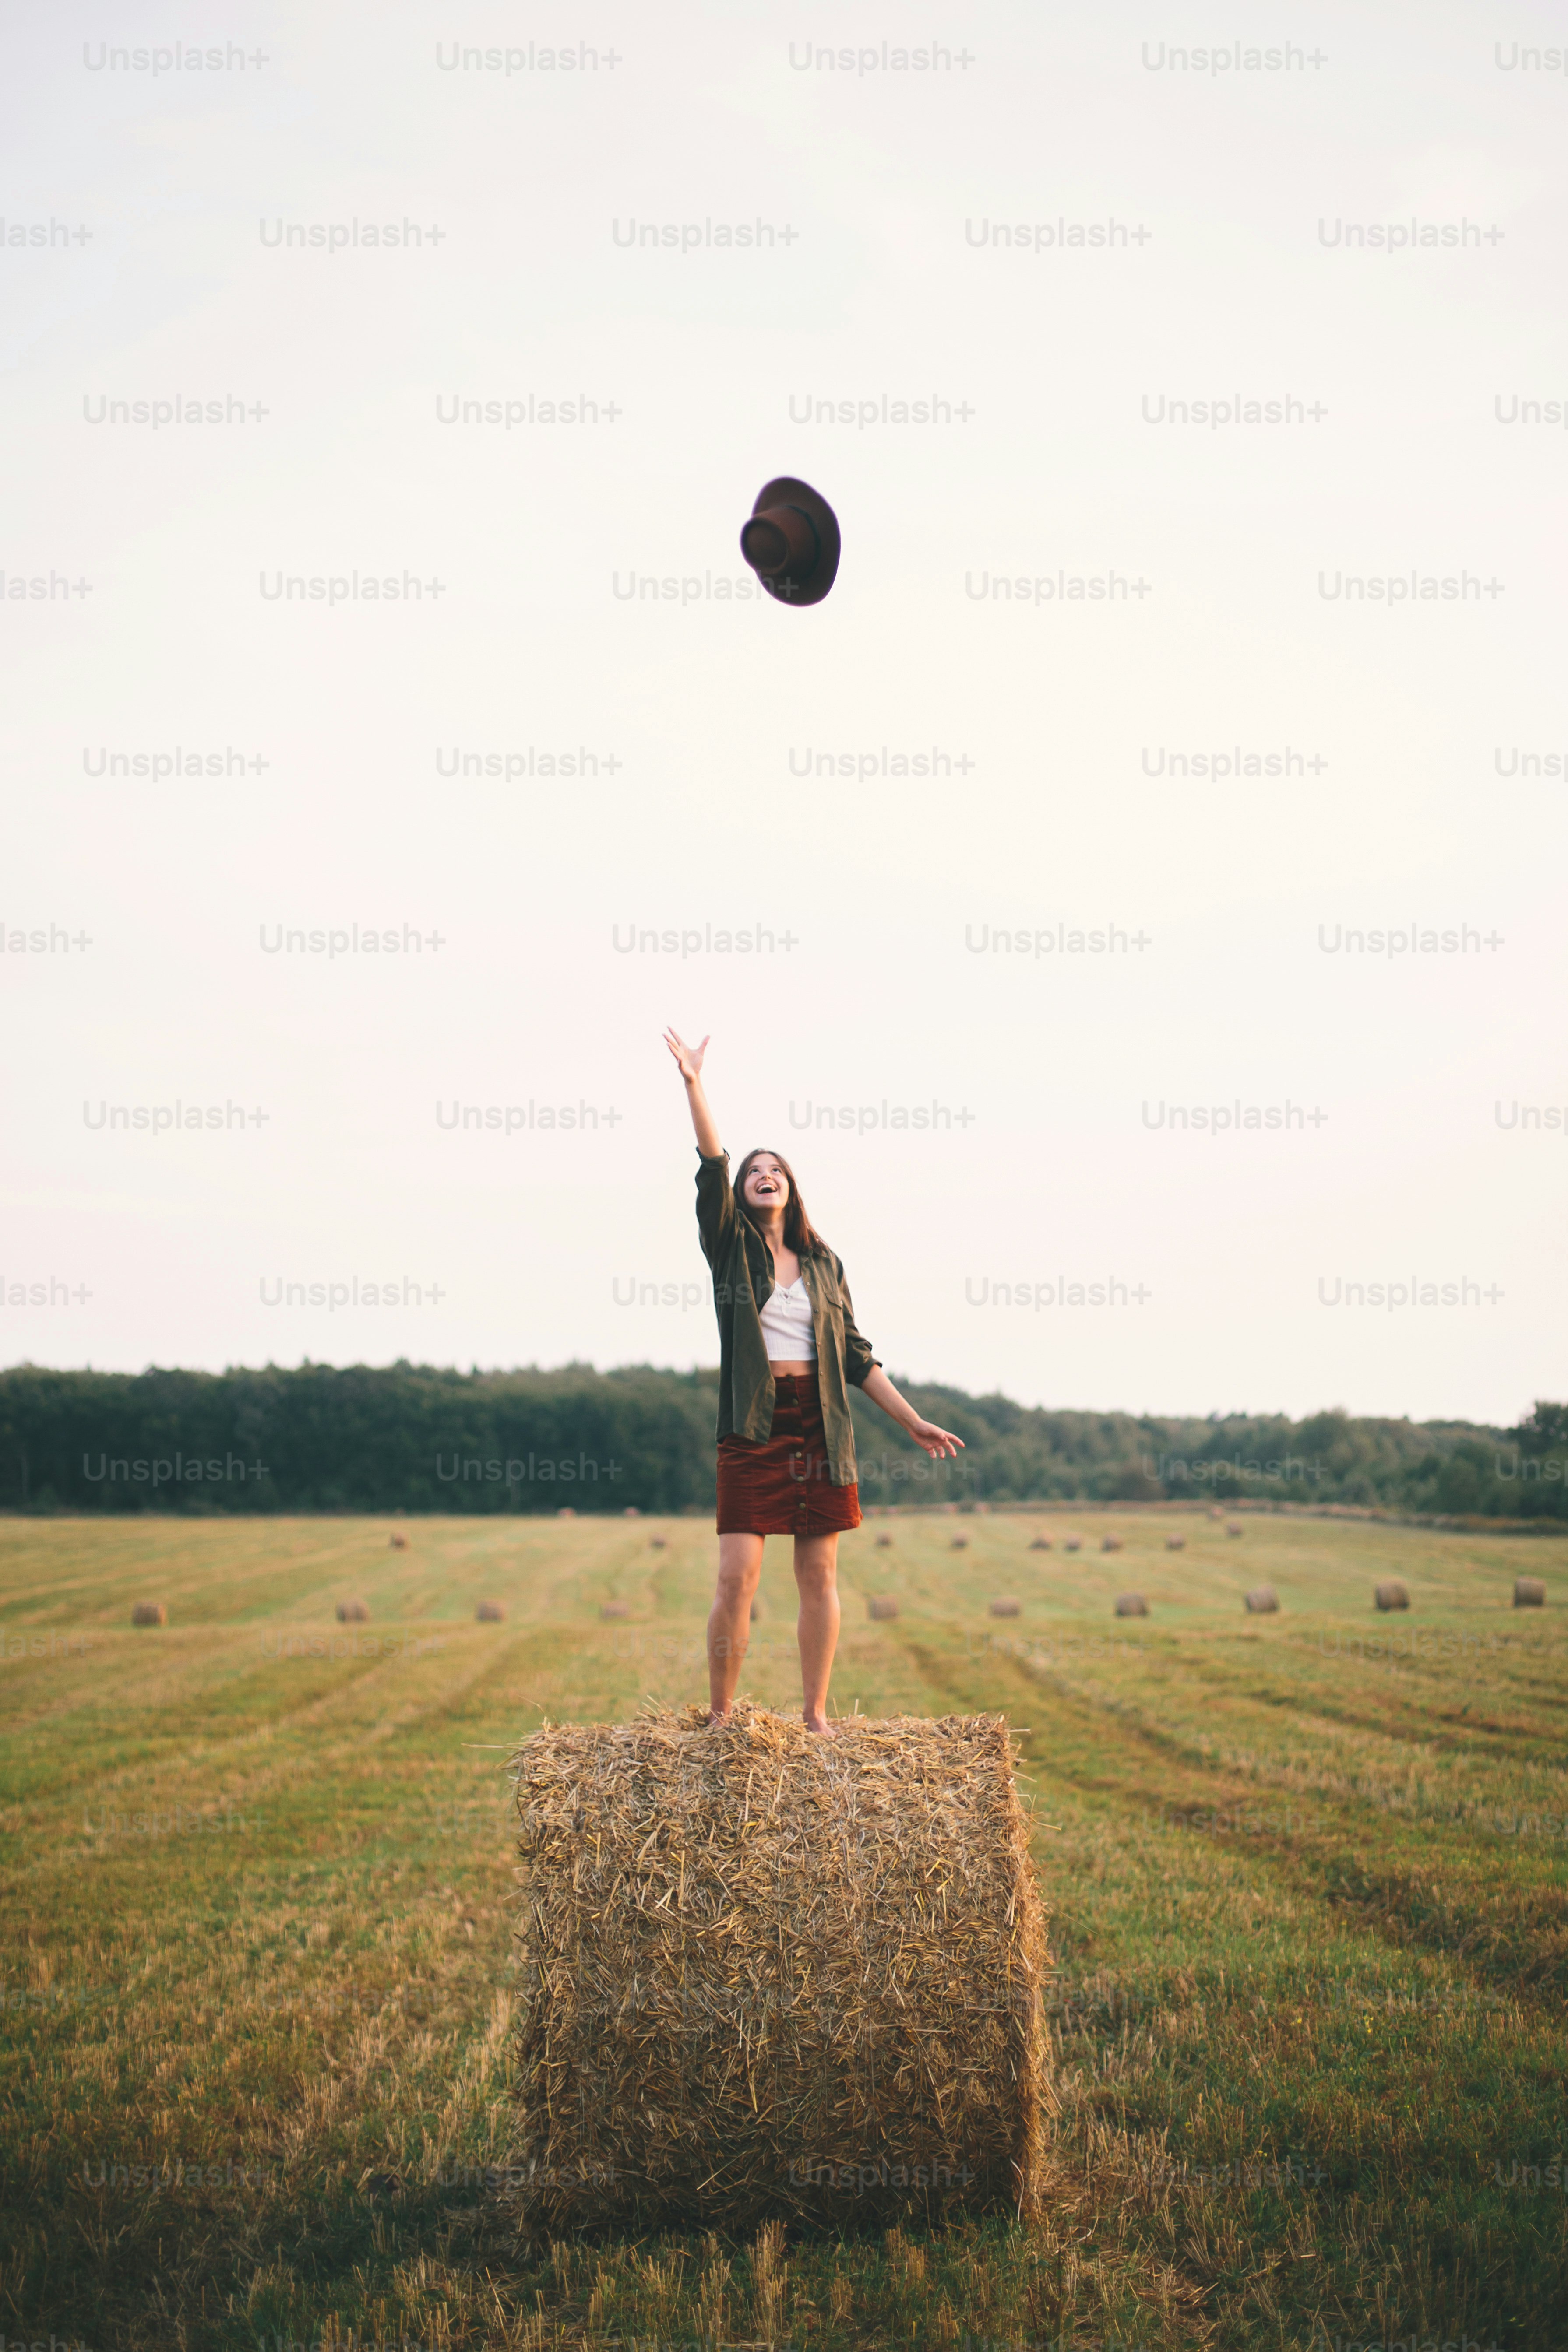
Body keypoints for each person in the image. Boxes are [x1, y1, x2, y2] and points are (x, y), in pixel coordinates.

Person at [663, 1028, 964, 1732]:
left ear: (792, 1187)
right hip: (752, 1425)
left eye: (777, 1169)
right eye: (753, 1171)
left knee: (820, 1579)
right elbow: (711, 1161)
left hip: (822, 1427)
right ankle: (720, 1715)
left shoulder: (826, 1263)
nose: (763, 1174)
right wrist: (693, 1084)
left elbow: (856, 1356)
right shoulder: (729, 1247)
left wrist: (910, 1420)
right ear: (743, 1192)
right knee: (736, 1576)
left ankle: (815, 1716)